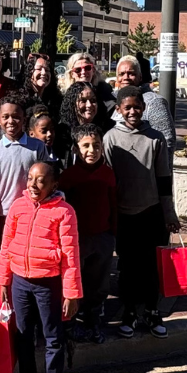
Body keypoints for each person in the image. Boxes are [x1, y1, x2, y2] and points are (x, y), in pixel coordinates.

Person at [0, 162, 82, 373]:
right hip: (20, 282)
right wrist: (3, 279)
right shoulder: (18, 206)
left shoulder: (64, 212)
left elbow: (71, 255)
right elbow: (6, 243)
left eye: (41, 180)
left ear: (54, 184)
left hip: (49, 284)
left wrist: (71, 293)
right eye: (31, 178)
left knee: (53, 336)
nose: (34, 185)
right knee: (22, 333)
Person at [103, 86, 180, 339]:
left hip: (152, 213)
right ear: (118, 110)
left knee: (151, 266)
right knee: (128, 266)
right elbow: (108, 181)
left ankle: (152, 310)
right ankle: (130, 312)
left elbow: (164, 179)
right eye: (127, 108)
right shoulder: (110, 139)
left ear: (144, 107)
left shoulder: (155, 138)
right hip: (125, 215)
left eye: (137, 106)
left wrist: (169, 214)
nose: (133, 111)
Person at [58, 123, 116, 344]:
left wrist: (113, 234)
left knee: (99, 283)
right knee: (75, 281)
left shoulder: (108, 174)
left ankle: (94, 323)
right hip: (77, 240)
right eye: (86, 146)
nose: (91, 150)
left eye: (96, 146)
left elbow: (113, 205)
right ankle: (71, 324)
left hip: (102, 237)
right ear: (76, 149)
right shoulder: (69, 177)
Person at [0, 93, 48, 253]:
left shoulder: (37, 147)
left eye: (16, 116)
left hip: (33, 215)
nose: (11, 121)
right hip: (4, 219)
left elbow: (47, 184)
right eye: (6, 117)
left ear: (24, 119)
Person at [113, 55, 176, 164]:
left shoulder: (154, 102)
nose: (126, 77)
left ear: (140, 77)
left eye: (131, 73)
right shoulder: (113, 99)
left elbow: (167, 142)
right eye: (121, 74)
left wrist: (160, 175)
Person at [56, 81, 113, 169]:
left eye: (93, 100)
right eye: (83, 101)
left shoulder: (108, 129)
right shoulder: (62, 133)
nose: (89, 105)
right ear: (72, 103)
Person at [58, 52, 115, 116]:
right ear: (72, 74)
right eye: (78, 69)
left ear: (93, 70)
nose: (83, 72)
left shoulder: (105, 96)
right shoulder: (62, 98)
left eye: (87, 68)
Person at [23, 53, 62, 122]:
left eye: (47, 70)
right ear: (29, 71)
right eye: (39, 69)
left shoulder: (56, 100)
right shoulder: (21, 99)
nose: (43, 73)